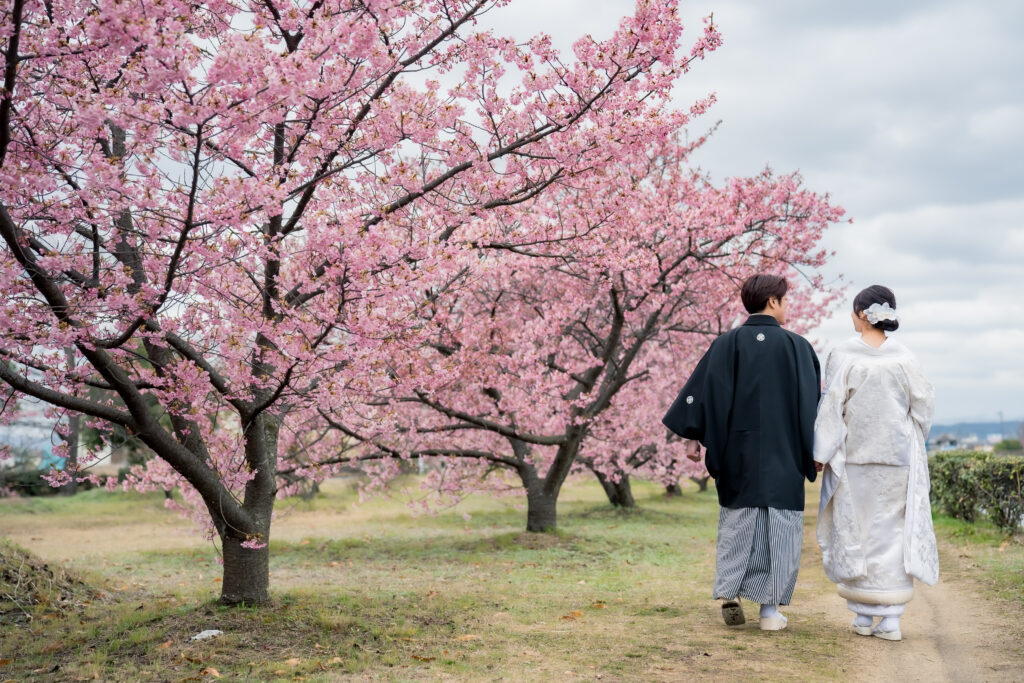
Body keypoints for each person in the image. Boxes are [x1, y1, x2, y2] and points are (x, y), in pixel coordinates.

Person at [663, 274, 820, 631]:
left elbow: (703, 393)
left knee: (739, 522)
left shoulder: (727, 344)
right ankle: (769, 613)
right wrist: (816, 451)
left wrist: (694, 436)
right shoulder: (798, 347)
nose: (787, 306)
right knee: (780, 528)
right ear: (774, 302)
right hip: (784, 453)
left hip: (738, 452)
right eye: (785, 300)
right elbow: (812, 405)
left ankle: (729, 589)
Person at [813, 285, 938, 642]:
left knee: (858, 530)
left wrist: (821, 452)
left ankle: (865, 615)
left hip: (856, 456)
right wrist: (910, 435)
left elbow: (832, 406)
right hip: (897, 456)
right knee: (893, 533)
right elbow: (923, 407)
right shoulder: (905, 357)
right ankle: (891, 619)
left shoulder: (844, 354)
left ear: (860, 313)